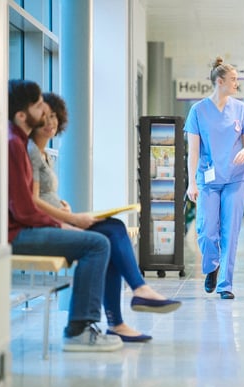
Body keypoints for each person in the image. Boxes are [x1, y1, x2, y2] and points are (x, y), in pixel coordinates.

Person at [28, 92, 181, 342]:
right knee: (108, 236)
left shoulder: (44, 153)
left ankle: (123, 315)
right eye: (44, 117)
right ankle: (133, 299)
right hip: (52, 226)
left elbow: (42, 195)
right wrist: (72, 218)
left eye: (54, 117)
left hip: (61, 219)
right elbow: (31, 200)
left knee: (114, 228)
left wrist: (62, 204)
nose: (50, 122)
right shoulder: (32, 151)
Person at [8, 79, 121, 352]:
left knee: (107, 234)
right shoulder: (15, 145)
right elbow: (23, 209)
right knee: (97, 244)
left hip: (25, 229)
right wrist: (62, 224)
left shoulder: (19, 143)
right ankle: (80, 329)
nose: (44, 108)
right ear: (22, 116)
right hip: (18, 235)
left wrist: (62, 221)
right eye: (38, 106)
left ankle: (94, 323)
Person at [185, 57, 244, 300]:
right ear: (220, 81)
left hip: (235, 179)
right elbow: (193, 151)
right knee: (206, 231)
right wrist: (192, 182)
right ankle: (211, 266)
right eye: (233, 79)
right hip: (208, 179)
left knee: (230, 232)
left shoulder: (241, 110)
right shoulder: (198, 110)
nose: (237, 83)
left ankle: (225, 284)